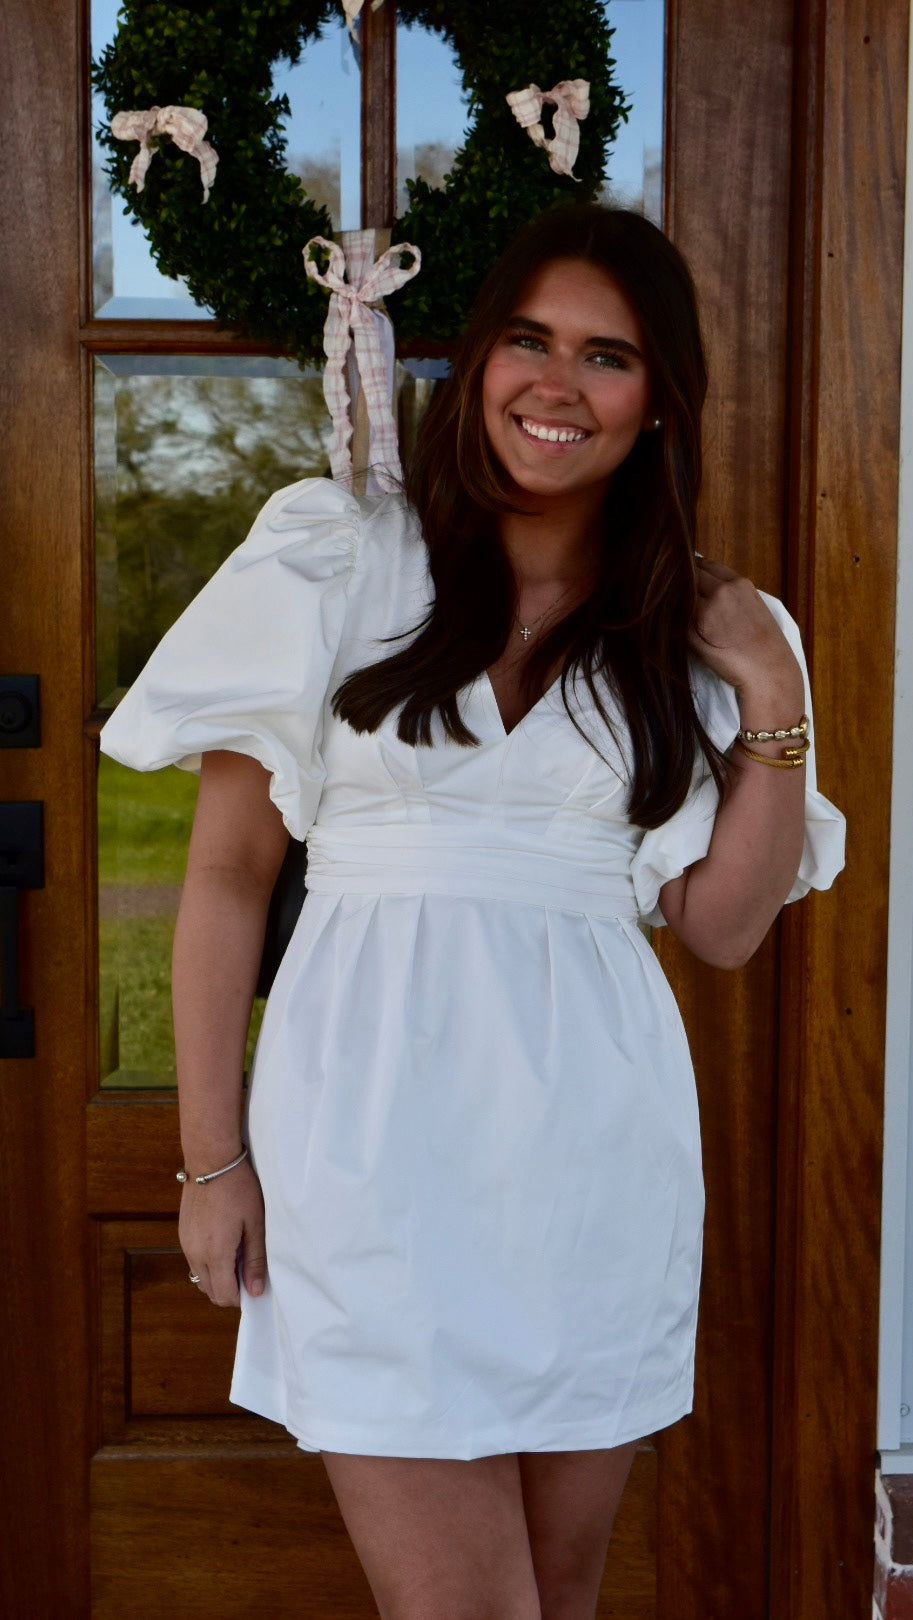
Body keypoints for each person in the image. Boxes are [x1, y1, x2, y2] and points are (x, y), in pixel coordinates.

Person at [99, 203, 844, 1619]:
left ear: (658, 404)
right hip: (366, 1149)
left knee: (554, 1600)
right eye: (528, 340)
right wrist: (211, 1162)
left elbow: (725, 927)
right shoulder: (338, 556)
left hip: (593, 1164)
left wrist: (774, 699)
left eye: (608, 357)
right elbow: (225, 878)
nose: (557, 386)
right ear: (480, 361)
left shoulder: (708, 628)